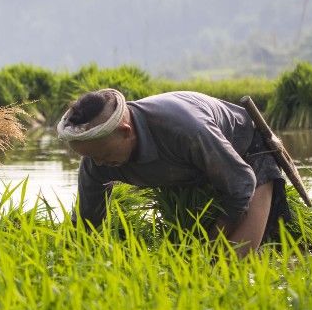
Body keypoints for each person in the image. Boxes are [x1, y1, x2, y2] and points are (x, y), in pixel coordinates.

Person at [58, 89, 291, 256]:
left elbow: (240, 184)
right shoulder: (96, 159)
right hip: (195, 172)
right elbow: (86, 223)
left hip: (247, 157)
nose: (98, 162)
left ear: (126, 132)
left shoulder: (187, 130)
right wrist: (67, 253)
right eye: (91, 157)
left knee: (230, 259)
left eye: (105, 155)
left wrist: (214, 239)